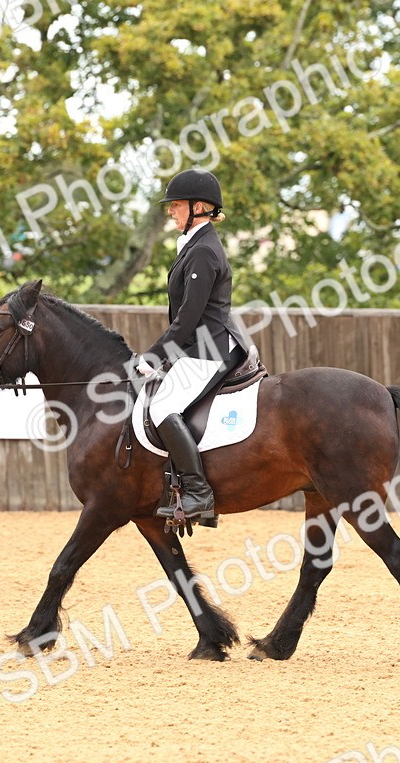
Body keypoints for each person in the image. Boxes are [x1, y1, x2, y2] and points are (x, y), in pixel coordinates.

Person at [136, 168, 248, 522]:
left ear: (199, 207)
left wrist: (154, 357)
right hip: (199, 346)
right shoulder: (196, 245)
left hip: (208, 349)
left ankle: (199, 492)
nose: (170, 211)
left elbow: (187, 318)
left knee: (161, 407)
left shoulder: (203, 252)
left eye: (176, 205)